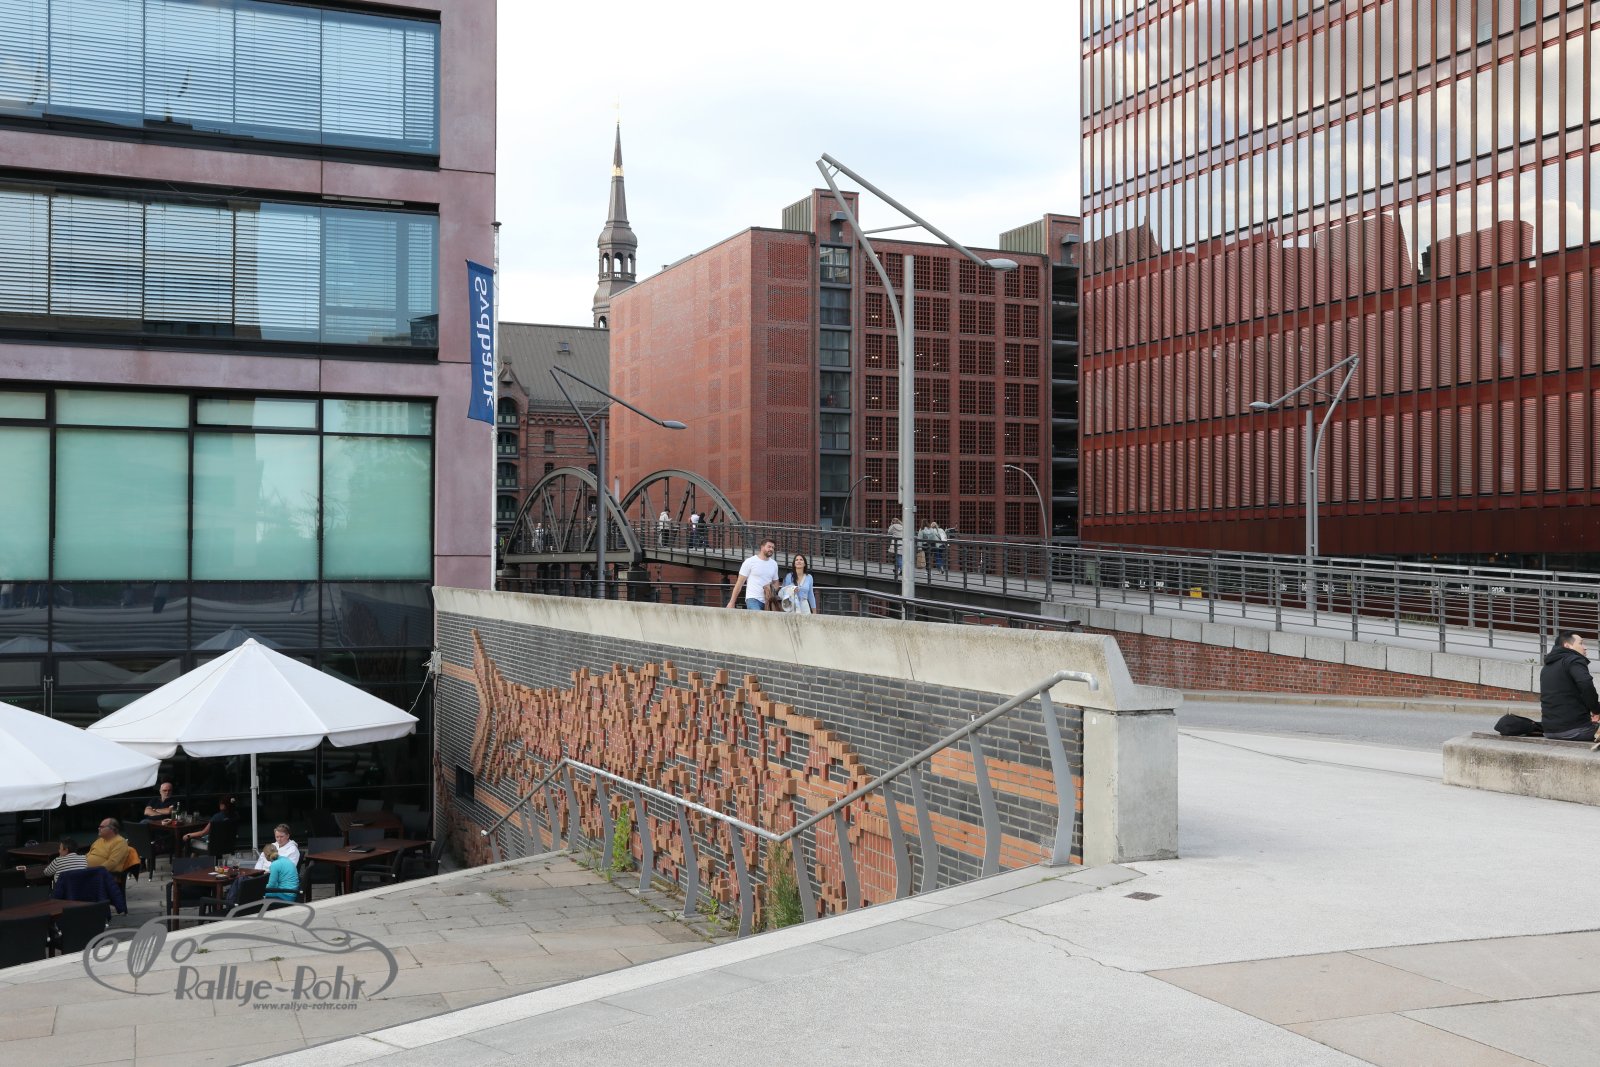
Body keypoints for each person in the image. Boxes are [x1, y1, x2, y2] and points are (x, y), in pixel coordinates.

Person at [1540, 631, 1600, 741]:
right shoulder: (1574, 660)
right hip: (1576, 730)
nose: (1585, 647)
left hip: (1549, 731)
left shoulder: (1546, 667)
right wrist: (1596, 710)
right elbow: (1586, 685)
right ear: (1567, 645)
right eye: (1581, 643)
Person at [727, 539, 779, 610]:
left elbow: (776, 583)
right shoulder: (750, 561)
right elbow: (739, 583)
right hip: (753, 599)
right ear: (762, 547)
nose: (771, 549)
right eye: (769, 546)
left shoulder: (774, 564)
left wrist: (771, 589)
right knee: (757, 617)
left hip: (768, 601)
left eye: (773, 547)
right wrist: (732, 602)